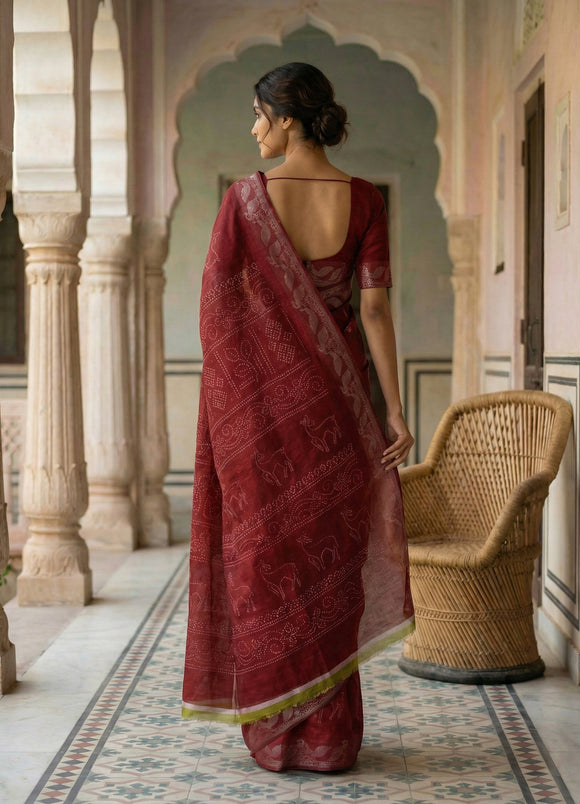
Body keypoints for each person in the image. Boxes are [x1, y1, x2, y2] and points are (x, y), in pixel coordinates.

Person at [182, 62, 414, 773]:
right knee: (330, 572)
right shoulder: (366, 199)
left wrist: (235, 411)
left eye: (259, 115)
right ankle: (331, 739)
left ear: (287, 116)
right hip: (343, 421)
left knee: (268, 566)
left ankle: (280, 740)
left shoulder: (245, 203)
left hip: (263, 431)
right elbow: (373, 308)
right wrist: (395, 409)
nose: (254, 129)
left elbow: (219, 314)